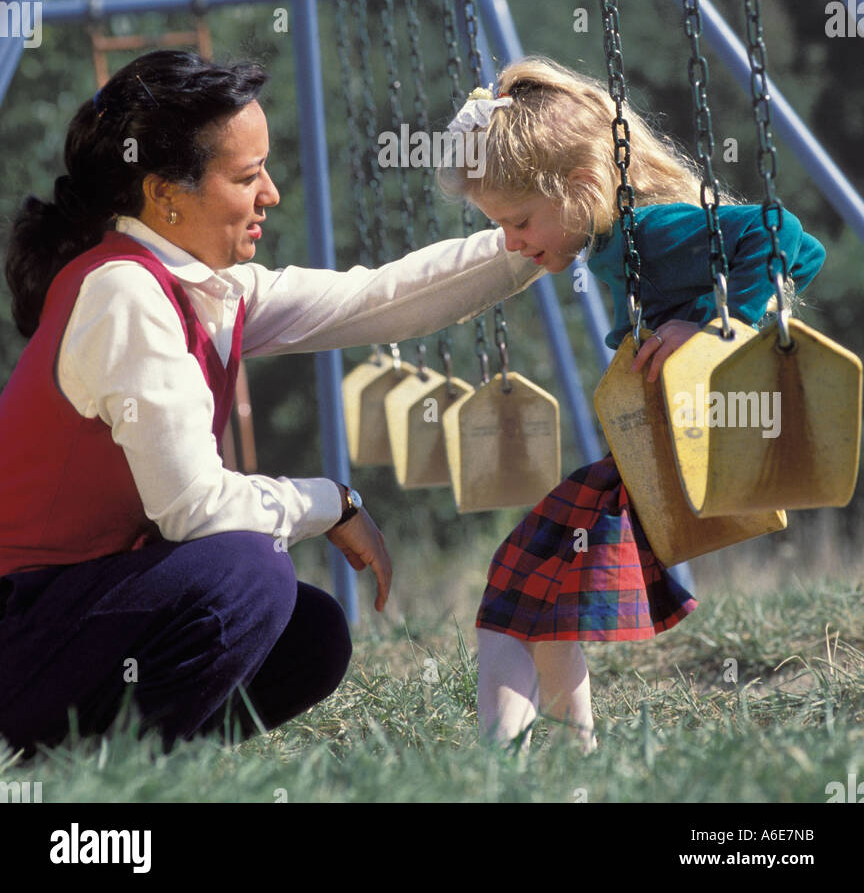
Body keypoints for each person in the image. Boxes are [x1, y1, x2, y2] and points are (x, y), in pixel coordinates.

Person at [0, 50, 545, 757]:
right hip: (23, 625)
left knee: (308, 635)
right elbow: (193, 509)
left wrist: (531, 237)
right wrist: (333, 503)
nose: (272, 194)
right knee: (249, 573)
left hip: (67, 616)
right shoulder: (124, 294)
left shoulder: (203, 288)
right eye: (248, 176)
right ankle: (113, 768)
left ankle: (102, 753)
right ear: (165, 194)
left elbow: (380, 298)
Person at [438, 56, 826, 755]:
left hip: (676, 458)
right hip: (654, 460)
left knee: (512, 597)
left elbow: (789, 236)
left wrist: (717, 328)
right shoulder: (621, 240)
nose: (512, 242)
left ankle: (500, 777)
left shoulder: (651, 231)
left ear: (583, 184)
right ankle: (574, 761)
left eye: (520, 221)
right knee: (533, 604)